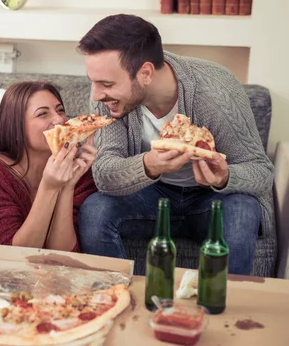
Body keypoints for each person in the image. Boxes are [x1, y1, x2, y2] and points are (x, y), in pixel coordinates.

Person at [76, 14, 273, 275]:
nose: (96, 94)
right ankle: (120, 301)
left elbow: (262, 172)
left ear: (145, 73)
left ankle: (223, 309)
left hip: (212, 200)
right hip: (151, 196)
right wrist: (149, 165)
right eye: (94, 81)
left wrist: (225, 176)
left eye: (107, 84)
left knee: (243, 210)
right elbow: (104, 175)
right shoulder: (107, 100)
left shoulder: (215, 91)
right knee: (95, 210)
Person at [0, 81, 98, 251]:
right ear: (16, 125)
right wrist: (49, 187)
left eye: (60, 110)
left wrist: (67, 187)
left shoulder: (81, 173)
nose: (60, 120)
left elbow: (62, 255)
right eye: (43, 114)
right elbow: (16, 255)